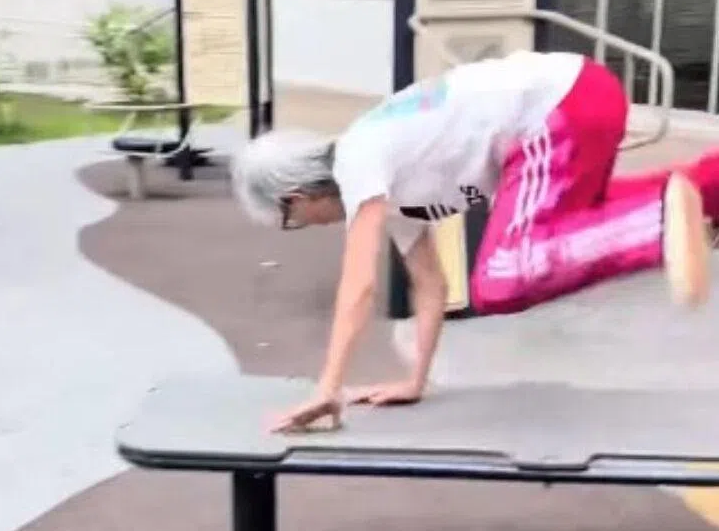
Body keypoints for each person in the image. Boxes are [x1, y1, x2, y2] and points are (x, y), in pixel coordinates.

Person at [230, 50, 718, 434]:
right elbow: (429, 284)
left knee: (503, 277)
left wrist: (328, 388)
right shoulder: (392, 188)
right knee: (575, 223)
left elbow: (357, 286)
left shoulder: (358, 161)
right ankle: (706, 194)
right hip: (577, 95)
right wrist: (415, 380)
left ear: (296, 196)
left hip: (556, 106)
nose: (306, 227)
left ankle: (655, 224)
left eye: (290, 220)